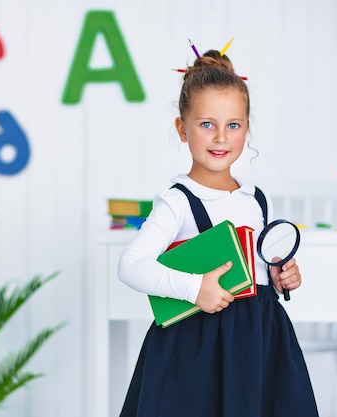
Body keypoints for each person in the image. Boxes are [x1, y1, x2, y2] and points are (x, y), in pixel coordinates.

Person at [116, 48, 319, 417]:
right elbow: (130, 264)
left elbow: (257, 270)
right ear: (182, 129)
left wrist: (278, 276)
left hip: (258, 341)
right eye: (207, 124)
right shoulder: (177, 201)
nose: (221, 138)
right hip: (196, 348)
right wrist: (195, 289)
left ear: (246, 127)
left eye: (234, 125)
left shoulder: (257, 198)